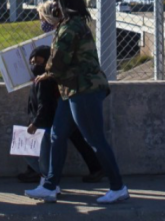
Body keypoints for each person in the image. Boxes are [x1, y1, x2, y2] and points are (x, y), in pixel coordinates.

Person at [24, 0, 129, 204]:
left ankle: (118, 187)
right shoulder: (71, 25)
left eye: (55, 1)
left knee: (95, 139)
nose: (52, 6)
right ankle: (50, 186)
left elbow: (59, 60)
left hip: (84, 89)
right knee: (57, 134)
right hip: (72, 89)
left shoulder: (70, 28)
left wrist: (45, 74)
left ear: (62, 4)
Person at [20, 40, 105, 184]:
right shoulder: (43, 79)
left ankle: (45, 176)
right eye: (33, 63)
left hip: (55, 115)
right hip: (54, 114)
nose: (35, 66)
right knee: (76, 139)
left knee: (70, 140)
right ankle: (37, 171)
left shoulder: (46, 80)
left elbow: (44, 104)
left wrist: (36, 121)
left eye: (39, 63)